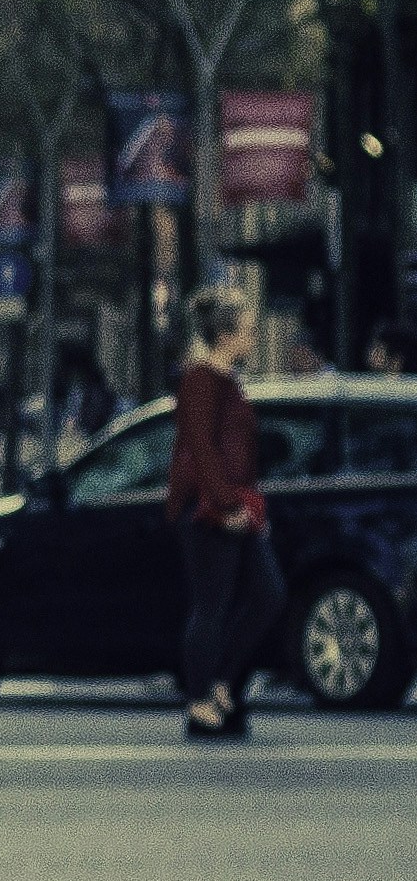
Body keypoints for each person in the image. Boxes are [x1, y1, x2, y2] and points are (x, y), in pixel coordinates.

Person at [172, 288, 280, 740]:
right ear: (226, 335)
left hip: (238, 505)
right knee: (210, 607)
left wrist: (248, 505)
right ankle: (200, 703)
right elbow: (201, 450)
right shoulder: (200, 379)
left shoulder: (228, 380)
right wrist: (228, 504)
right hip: (207, 510)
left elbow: (238, 450)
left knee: (269, 594)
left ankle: (222, 683)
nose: (253, 338)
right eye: (249, 331)